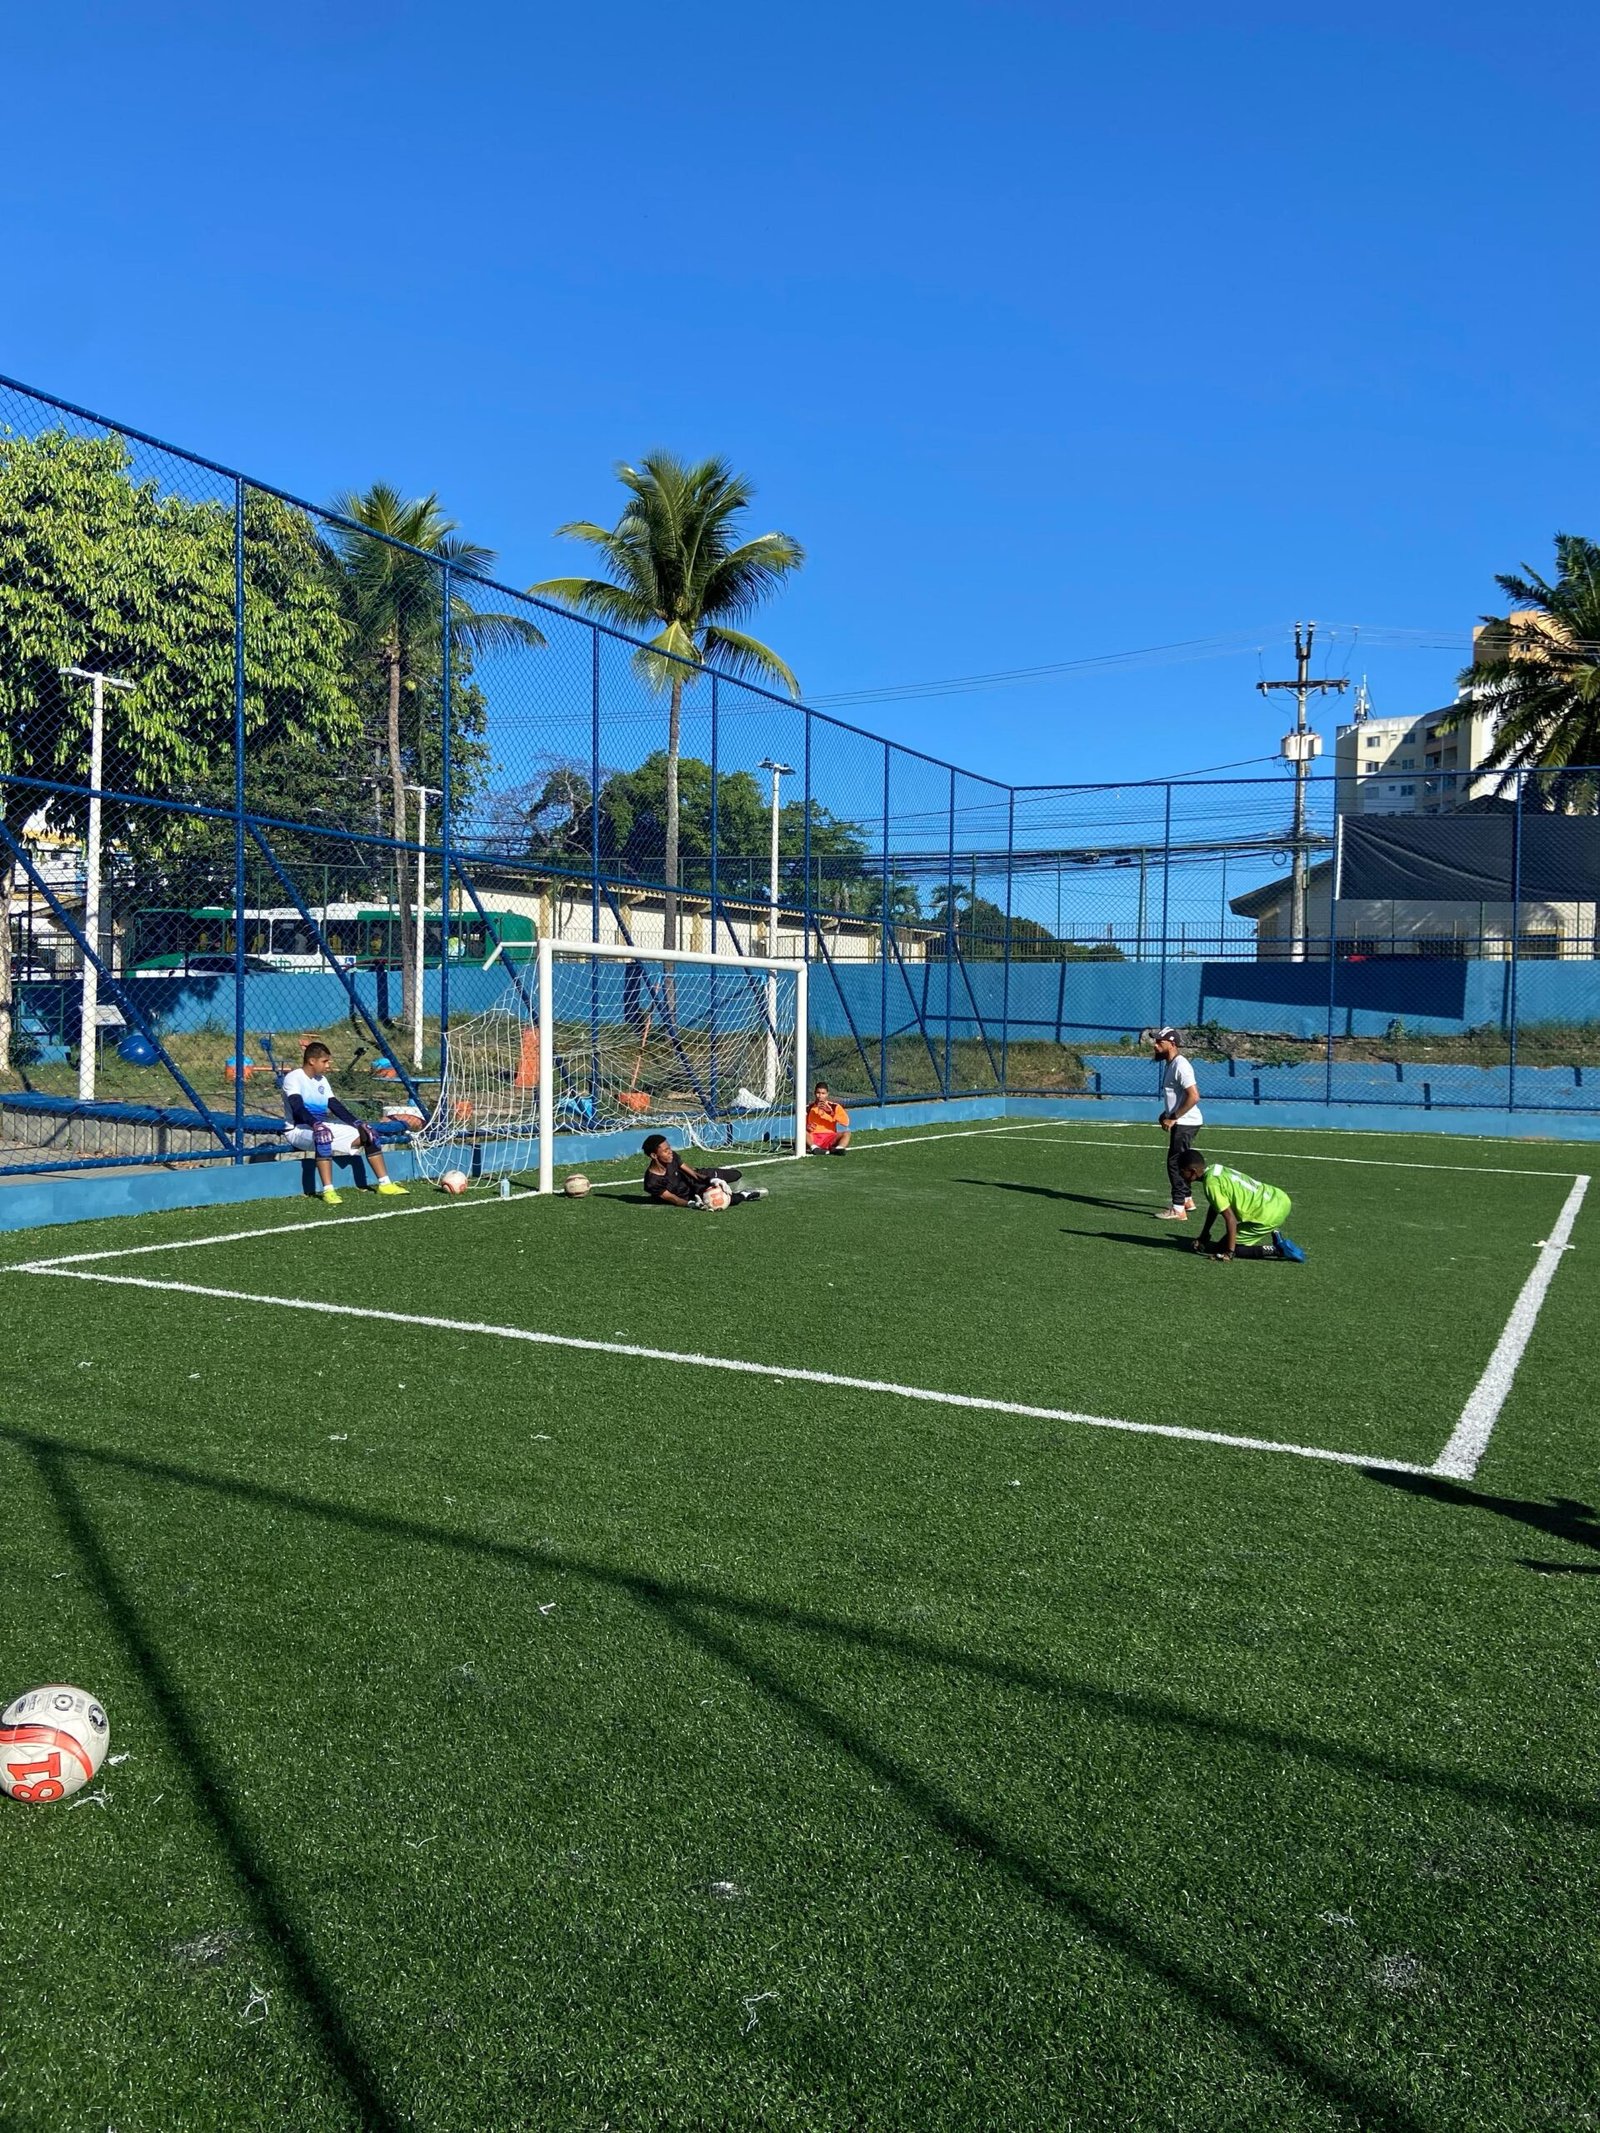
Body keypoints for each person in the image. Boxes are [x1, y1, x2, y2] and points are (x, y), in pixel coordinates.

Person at [282, 1041, 408, 1207]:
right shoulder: (294, 1078)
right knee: (323, 1135)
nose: (327, 1065)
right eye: (325, 1061)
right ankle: (328, 1191)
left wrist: (358, 1123)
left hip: (320, 1125)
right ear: (312, 1061)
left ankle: (385, 1184)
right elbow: (297, 1107)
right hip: (298, 1130)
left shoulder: (322, 1080)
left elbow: (335, 1105)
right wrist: (315, 1124)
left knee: (369, 1134)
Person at [1178, 1149, 1305, 1261]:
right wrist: (1204, 1234)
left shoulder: (1211, 1184)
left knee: (1223, 1248)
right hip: (1279, 1198)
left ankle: (1278, 1250)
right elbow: (1215, 1205)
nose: (1179, 1175)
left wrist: (1229, 1252)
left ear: (1193, 1171)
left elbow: (1231, 1219)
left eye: (1181, 1171)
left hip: (1267, 1214)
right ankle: (1275, 1231)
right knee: (1226, 1243)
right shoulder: (1215, 1169)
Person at [1149, 1026, 1202, 1221]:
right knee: (1182, 1161)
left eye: (1159, 1042)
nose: (1155, 1045)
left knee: (1175, 1163)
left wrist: (1174, 1117)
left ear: (1171, 1044)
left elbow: (1194, 1096)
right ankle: (1187, 1200)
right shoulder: (1172, 1064)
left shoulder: (1181, 1065)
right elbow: (1179, 1097)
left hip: (1186, 1122)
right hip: (1184, 1121)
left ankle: (1178, 1208)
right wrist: (1167, 1113)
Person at [641, 1133, 766, 1208]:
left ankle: (720, 1182)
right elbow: (673, 1199)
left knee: (736, 1174)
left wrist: (713, 1180)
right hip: (691, 1195)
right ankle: (745, 1194)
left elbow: (694, 1174)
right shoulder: (652, 1182)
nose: (670, 1152)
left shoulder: (672, 1157)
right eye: (665, 1151)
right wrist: (692, 1204)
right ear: (654, 1155)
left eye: (669, 1148)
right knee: (725, 1200)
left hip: (694, 1179)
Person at [806, 1082, 851, 1154]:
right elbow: (802, 1125)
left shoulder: (834, 1107)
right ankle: (814, 1148)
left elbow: (846, 1122)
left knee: (847, 1133)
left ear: (827, 1094)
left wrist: (831, 1113)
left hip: (830, 1137)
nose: (820, 1096)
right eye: (818, 1093)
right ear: (815, 1093)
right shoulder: (808, 1108)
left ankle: (839, 1149)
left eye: (823, 1093)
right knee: (802, 1132)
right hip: (813, 1137)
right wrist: (807, 1127)